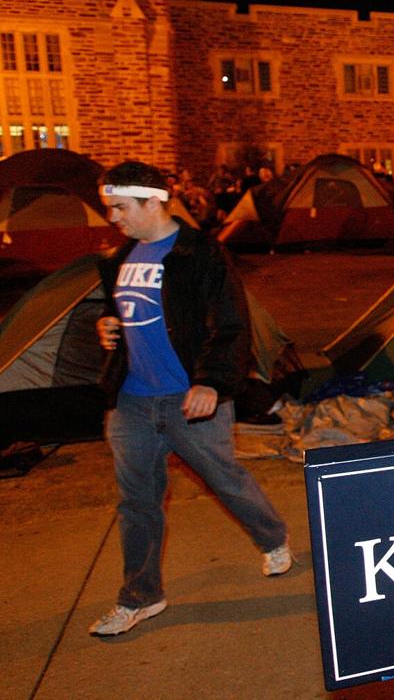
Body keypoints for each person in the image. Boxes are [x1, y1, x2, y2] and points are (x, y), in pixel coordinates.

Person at [88, 162, 292, 637]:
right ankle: (140, 596)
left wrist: (212, 384)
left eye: (121, 207)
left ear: (153, 201)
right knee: (136, 503)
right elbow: (122, 311)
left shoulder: (201, 254)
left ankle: (273, 537)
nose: (114, 218)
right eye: (110, 208)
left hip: (189, 399)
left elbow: (232, 326)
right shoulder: (120, 258)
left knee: (226, 479)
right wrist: (108, 326)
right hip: (134, 402)